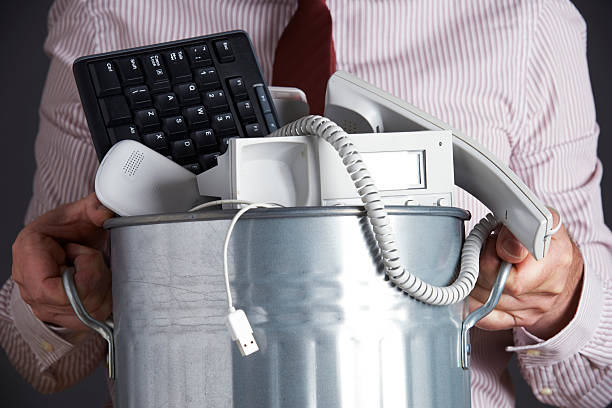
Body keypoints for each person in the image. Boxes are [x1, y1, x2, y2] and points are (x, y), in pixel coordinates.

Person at [2, 0, 611, 407]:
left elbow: (596, 382)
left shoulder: (529, 18)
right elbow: (42, 361)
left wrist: (564, 299)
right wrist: (65, 303)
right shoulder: (107, 11)